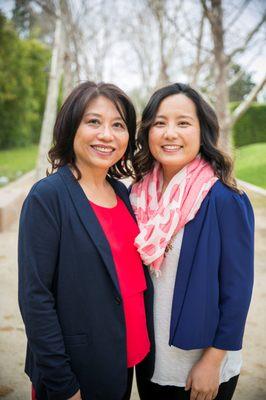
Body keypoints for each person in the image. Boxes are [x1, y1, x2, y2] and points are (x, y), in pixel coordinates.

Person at [18, 81, 153, 400]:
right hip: (76, 372)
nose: (107, 134)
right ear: (71, 127)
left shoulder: (123, 194)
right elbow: (35, 298)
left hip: (122, 362)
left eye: (118, 125)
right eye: (94, 121)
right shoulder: (48, 198)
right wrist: (64, 384)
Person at [130, 83, 254, 400]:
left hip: (199, 367)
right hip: (151, 360)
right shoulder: (137, 196)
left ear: (203, 131)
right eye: (160, 123)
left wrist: (212, 361)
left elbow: (237, 290)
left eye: (183, 122)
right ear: (147, 132)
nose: (170, 133)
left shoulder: (224, 199)